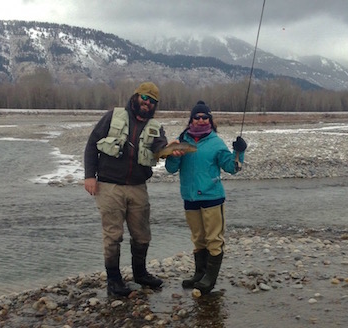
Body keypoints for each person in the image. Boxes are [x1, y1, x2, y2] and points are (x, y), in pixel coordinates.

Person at [84, 82, 168, 297]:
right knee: (113, 236)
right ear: (136, 97)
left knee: (142, 235)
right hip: (109, 186)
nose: (147, 104)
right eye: (144, 98)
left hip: (138, 187)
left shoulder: (155, 127)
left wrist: (168, 151)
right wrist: (89, 176)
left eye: (152, 101)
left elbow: (160, 147)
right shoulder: (114, 116)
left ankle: (140, 273)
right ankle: (113, 280)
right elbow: (92, 143)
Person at [165, 100, 247, 295]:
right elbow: (170, 169)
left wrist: (239, 152)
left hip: (212, 198)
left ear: (209, 119)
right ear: (191, 119)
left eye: (204, 117)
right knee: (198, 239)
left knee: (213, 239)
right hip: (190, 198)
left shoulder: (216, 142)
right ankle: (199, 274)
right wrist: (174, 155)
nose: (201, 120)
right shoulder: (181, 140)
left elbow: (232, 168)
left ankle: (210, 279)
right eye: (197, 117)